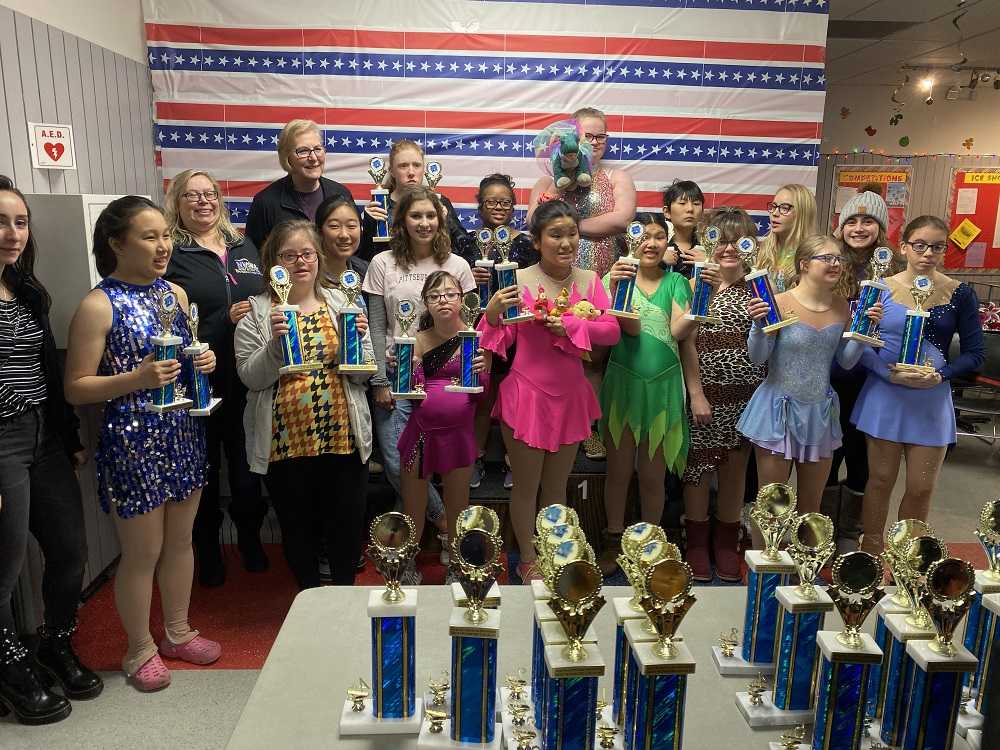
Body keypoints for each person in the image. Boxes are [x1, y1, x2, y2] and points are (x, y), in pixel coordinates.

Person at [64, 197, 221, 692]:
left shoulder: (175, 294)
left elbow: (182, 363)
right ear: (117, 243)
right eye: (149, 237)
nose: (162, 246)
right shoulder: (98, 304)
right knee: (142, 553)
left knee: (180, 542)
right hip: (133, 442)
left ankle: (178, 631)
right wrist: (136, 378)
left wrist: (203, 362)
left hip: (183, 433)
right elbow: (76, 387)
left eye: (165, 235)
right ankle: (138, 648)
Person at [0, 178, 102, 724]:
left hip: (42, 436)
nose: (12, 234)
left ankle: (54, 643)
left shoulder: (27, 290)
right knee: (6, 563)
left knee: (69, 550)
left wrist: (68, 436)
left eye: (20, 222)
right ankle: (8, 666)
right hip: (2, 441)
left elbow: (45, 369)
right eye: (1, 222)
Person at [479, 200, 621, 582]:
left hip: (571, 396)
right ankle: (528, 559)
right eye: (555, 235)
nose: (566, 242)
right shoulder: (517, 279)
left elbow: (611, 331)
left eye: (572, 234)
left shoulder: (590, 280)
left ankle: (553, 551)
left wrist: (572, 326)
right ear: (537, 241)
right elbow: (498, 335)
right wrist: (491, 313)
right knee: (526, 487)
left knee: (557, 488)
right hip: (526, 395)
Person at [235, 220, 374, 589]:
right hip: (285, 444)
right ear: (273, 263)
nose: (300, 262)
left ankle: (344, 596)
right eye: (289, 255)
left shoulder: (344, 303)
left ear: (319, 257)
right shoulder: (256, 314)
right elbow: (250, 377)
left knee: (346, 528)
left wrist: (353, 347)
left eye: (308, 254)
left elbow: (365, 374)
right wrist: (274, 347)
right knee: (298, 530)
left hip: (342, 438)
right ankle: (308, 599)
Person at [853, 215, 985, 555]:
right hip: (886, 396)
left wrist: (941, 375)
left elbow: (975, 354)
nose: (927, 253)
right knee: (880, 481)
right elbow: (859, 344)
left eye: (937, 247)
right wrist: (887, 374)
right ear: (904, 247)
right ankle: (870, 553)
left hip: (931, 400)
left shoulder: (960, 294)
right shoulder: (878, 287)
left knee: (921, 488)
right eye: (920, 245)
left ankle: (908, 559)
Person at [362, 186, 475, 577]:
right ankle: (436, 528)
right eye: (415, 215)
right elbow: (377, 325)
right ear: (402, 221)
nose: (424, 223)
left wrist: (471, 369)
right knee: (399, 464)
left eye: (430, 215)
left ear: (441, 219)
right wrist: (380, 380)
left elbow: (468, 325)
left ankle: (445, 551)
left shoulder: (457, 264)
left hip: (447, 381)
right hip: (397, 379)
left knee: (450, 473)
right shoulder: (382, 262)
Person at [164, 169, 268, 587]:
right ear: (177, 202)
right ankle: (207, 548)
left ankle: (250, 539)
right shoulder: (173, 253)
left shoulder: (243, 245)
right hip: (197, 382)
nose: (203, 201)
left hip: (247, 378)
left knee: (246, 468)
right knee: (203, 470)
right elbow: (168, 322)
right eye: (192, 195)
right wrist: (221, 320)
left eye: (209, 194)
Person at [737, 235, 882, 531]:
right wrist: (757, 327)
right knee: (771, 507)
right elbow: (757, 357)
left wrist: (865, 330)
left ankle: (803, 562)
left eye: (839, 259)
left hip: (819, 413)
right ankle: (766, 562)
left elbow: (846, 361)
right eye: (826, 258)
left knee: (811, 509)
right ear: (804, 264)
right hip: (777, 411)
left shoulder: (842, 307)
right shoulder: (777, 302)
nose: (835, 264)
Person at [527, 107, 637, 461]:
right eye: (588, 136)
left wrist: (564, 229)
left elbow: (622, 219)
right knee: (554, 352)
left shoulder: (617, 177)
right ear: (570, 138)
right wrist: (569, 232)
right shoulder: (546, 182)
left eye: (601, 136)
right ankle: (550, 424)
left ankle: (590, 429)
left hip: (600, 276)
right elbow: (533, 222)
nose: (595, 142)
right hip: (554, 277)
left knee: (595, 358)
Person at [597, 213, 695, 575]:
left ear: (668, 243)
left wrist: (701, 304)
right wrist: (613, 289)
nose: (651, 243)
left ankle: (650, 544)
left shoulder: (676, 283)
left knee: (653, 475)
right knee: (618, 472)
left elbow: (679, 332)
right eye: (644, 235)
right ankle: (613, 539)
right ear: (630, 239)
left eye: (659, 237)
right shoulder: (612, 279)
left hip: (662, 389)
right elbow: (613, 328)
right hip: (622, 386)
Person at [679, 207, 767, 582]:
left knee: (735, 468)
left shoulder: (760, 287)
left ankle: (726, 541)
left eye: (738, 241)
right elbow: (685, 342)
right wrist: (696, 394)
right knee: (697, 469)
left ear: (751, 246)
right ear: (707, 242)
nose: (729, 249)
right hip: (705, 394)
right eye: (720, 240)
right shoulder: (695, 285)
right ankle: (697, 541)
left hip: (746, 397)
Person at [397, 271, 488, 574]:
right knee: (413, 506)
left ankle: (459, 568)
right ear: (426, 303)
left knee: (458, 506)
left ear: (462, 299)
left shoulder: (474, 337)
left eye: (450, 294)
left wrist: (482, 373)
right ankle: (406, 566)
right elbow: (411, 393)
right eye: (434, 296)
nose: (443, 301)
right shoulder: (417, 340)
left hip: (458, 436)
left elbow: (480, 397)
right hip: (420, 436)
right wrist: (407, 368)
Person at [822, 190, 893, 554]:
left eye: (868, 221)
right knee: (828, 455)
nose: (859, 228)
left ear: (881, 228)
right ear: (841, 227)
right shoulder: (829, 264)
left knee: (861, 457)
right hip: (830, 376)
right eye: (851, 221)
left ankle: (850, 530)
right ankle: (822, 528)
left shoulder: (894, 270)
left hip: (873, 381)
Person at [462, 174, 536, 491]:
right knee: (481, 396)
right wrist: (470, 276)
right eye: (491, 201)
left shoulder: (526, 243)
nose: (498, 207)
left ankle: (513, 461)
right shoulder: (466, 242)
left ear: (513, 206)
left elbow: (535, 282)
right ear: (480, 205)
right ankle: (475, 458)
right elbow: (453, 287)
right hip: (478, 328)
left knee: (513, 398)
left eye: (505, 202)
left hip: (516, 331)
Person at [245, 119, 354, 249]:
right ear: (287, 157)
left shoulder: (341, 194)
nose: (313, 158)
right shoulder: (265, 202)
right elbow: (253, 255)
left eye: (317, 149)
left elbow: (355, 250)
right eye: (303, 151)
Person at [358, 139, 467, 263]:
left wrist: (444, 224)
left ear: (423, 169)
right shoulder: (380, 204)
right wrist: (369, 225)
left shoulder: (440, 202)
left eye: (416, 165)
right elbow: (364, 258)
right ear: (392, 171)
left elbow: (462, 248)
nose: (411, 172)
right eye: (403, 166)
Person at [756, 184, 818, 292]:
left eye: (784, 208)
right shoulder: (761, 250)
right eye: (774, 206)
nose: (775, 213)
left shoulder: (814, 256)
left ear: (802, 213)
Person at [317, 195, 370, 288]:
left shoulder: (368, 271)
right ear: (319, 231)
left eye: (351, 226)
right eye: (334, 226)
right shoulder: (307, 275)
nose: (344, 235)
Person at [662, 180, 706, 275]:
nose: (690, 209)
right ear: (667, 212)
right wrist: (657, 259)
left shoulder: (711, 246)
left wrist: (709, 262)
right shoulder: (657, 245)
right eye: (682, 203)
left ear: (702, 212)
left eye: (696, 203)